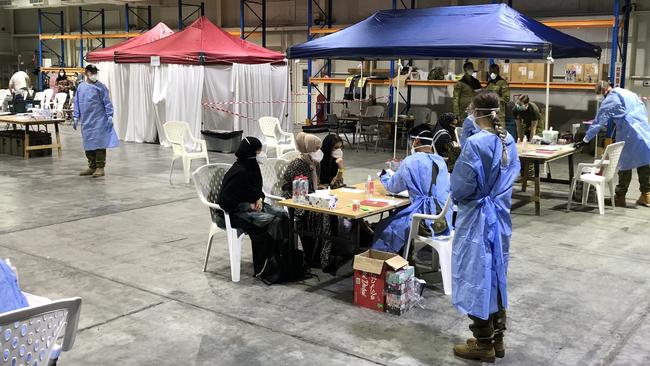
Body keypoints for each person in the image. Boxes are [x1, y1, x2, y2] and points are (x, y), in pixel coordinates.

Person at [451, 91, 520, 363]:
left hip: (478, 218)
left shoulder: (476, 144)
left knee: (477, 275)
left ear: (476, 111)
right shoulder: (508, 140)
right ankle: (496, 338)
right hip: (500, 217)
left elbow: (462, 185)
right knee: (496, 275)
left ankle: (482, 342)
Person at [214, 137, 291, 277]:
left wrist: (259, 198)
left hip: (252, 207)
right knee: (270, 221)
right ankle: (264, 267)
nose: (262, 154)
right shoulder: (238, 172)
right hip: (233, 213)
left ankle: (283, 258)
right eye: (259, 151)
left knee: (283, 215)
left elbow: (256, 189)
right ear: (250, 153)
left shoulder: (252, 167)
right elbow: (224, 202)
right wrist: (248, 205)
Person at [372, 124, 452, 254]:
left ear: (416, 141)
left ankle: (387, 262)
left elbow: (393, 187)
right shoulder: (440, 161)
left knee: (385, 227)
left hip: (424, 217)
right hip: (444, 218)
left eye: (411, 141)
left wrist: (384, 175)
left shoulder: (410, 161)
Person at [576, 81, 650, 207]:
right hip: (643, 131)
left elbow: (598, 122)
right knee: (644, 162)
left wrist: (585, 140)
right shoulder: (626, 92)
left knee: (625, 165)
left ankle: (620, 197)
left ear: (603, 91)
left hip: (629, 132)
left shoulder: (611, 99)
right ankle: (646, 195)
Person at [282, 133, 341, 273]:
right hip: (297, 202)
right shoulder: (298, 164)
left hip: (310, 198)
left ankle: (327, 253)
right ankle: (322, 259)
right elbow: (299, 193)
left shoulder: (314, 164)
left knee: (332, 208)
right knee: (325, 214)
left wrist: (320, 189)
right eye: (316, 148)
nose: (319, 151)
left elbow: (315, 185)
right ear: (307, 148)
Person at [73, 64, 118, 178]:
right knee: (88, 144)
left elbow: (107, 102)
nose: (93, 75)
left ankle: (100, 167)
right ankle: (91, 166)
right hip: (86, 121)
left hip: (99, 119)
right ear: (86, 73)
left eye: (95, 72)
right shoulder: (80, 87)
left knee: (99, 143)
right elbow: (77, 102)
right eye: (91, 72)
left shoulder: (100, 86)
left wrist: (109, 116)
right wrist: (75, 116)